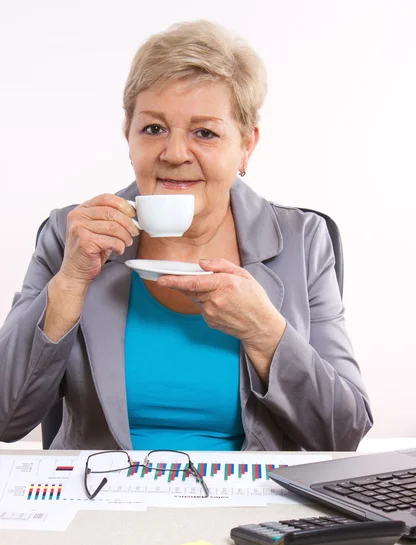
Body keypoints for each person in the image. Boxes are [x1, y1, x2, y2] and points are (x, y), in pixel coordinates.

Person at [0, 20, 372, 451]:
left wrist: (266, 333)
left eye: (205, 132)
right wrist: (70, 282)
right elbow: (5, 420)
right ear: (129, 136)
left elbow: (343, 434)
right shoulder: (72, 235)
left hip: (249, 507)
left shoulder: (303, 240)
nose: (175, 154)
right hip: (98, 497)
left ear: (246, 145)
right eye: (153, 129)